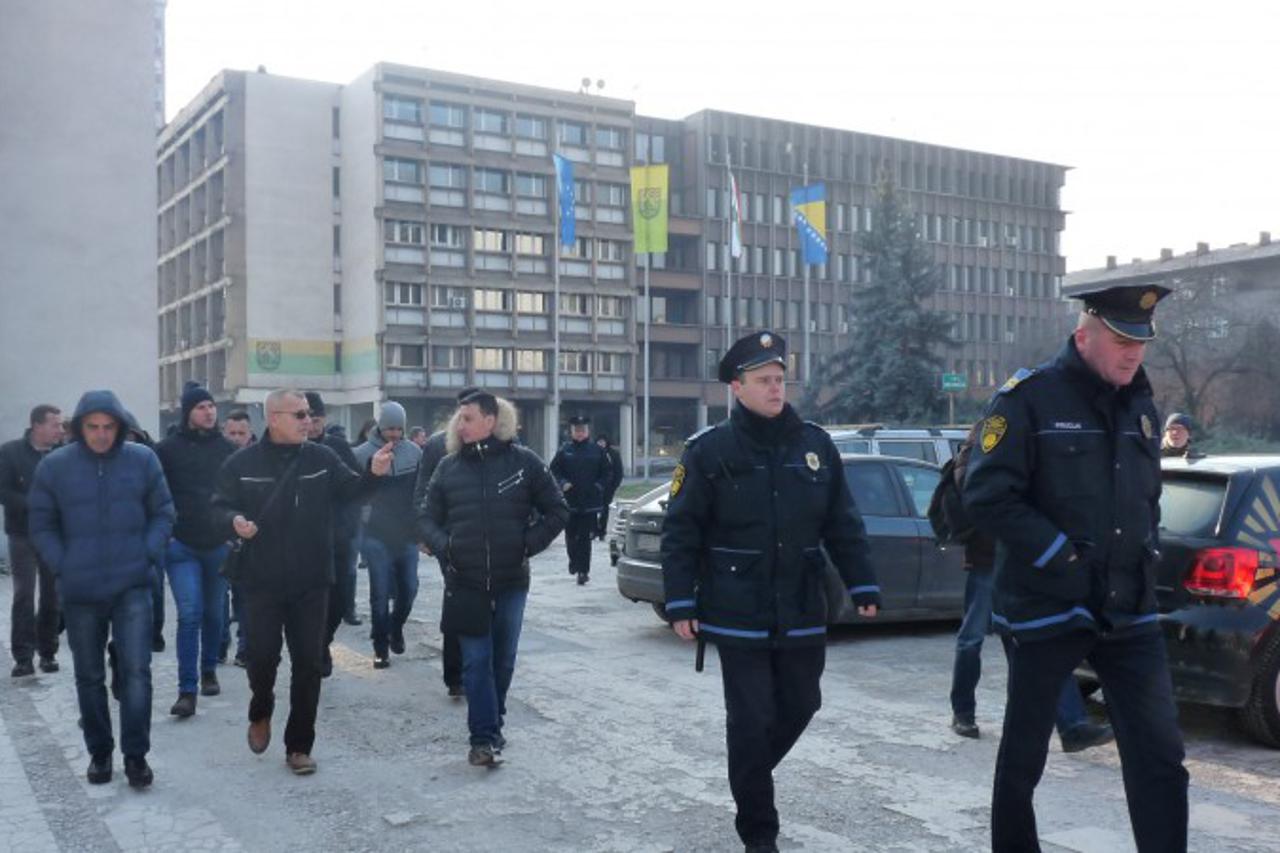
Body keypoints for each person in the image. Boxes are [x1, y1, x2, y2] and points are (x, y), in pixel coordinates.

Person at [964, 283, 1189, 852]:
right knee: (1024, 758)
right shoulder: (1028, 399)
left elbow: (1147, 498)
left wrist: (1146, 553)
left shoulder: (1141, 404)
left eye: (1141, 342)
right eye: (1122, 340)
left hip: (1128, 607)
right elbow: (986, 494)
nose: (1134, 353)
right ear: (1084, 335)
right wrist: (1057, 553)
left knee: (1161, 756)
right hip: (1047, 604)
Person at [661, 332, 880, 853]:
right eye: (763, 381)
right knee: (752, 719)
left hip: (802, 603)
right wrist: (680, 601)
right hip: (737, 607)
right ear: (737, 388)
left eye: (780, 379)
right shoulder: (708, 451)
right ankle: (759, 832)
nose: (775, 388)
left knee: (803, 704)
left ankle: (749, 772)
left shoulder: (815, 445)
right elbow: (681, 532)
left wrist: (862, 581)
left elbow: (843, 522)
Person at [211, 388, 393, 776]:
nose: (307, 421)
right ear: (273, 418)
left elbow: (352, 492)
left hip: (311, 579)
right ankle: (261, 709)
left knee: (309, 664)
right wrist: (233, 521)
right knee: (262, 659)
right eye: (299, 415)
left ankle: (299, 746)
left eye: (308, 414)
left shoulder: (322, 458)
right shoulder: (241, 463)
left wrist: (374, 474)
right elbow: (219, 506)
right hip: (261, 580)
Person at [27, 390, 175, 788]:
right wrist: (63, 563)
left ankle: (136, 756)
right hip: (81, 591)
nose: (101, 434)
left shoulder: (142, 460)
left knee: (136, 672)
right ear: (79, 427)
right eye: (93, 426)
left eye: (109, 426)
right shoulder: (55, 466)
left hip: (132, 585)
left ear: (120, 427)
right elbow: (41, 522)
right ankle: (100, 753)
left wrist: (146, 554)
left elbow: (163, 513)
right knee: (89, 675)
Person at [417, 389, 568, 767]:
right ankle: (482, 739)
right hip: (465, 582)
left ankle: (493, 723)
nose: (460, 425)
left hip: (511, 580)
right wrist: (446, 546)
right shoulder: (448, 467)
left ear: (491, 420)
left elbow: (557, 510)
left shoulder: (525, 463)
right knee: (475, 661)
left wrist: (527, 544)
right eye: (459, 418)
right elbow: (425, 517)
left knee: (503, 660)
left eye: (468, 418)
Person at [946, 422, 1114, 752]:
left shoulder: (1042, 431)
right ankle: (963, 712)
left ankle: (1071, 726)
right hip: (989, 556)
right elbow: (969, 482)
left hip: (1029, 557)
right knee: (972, 638)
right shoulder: (990, 428)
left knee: (1041, 639)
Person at [155, 382, 237, 717]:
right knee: (190, 613)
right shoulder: (167, 450)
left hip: (218, 544)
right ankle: (186, 690)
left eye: (211, 406)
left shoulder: (228, 449)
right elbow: (155, 494)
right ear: (188, 412)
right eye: (201, 407)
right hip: (181, 546)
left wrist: (233, 534)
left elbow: (239, 495)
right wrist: (165, 533)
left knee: (214, 613)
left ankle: (208, 670)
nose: (209, 411)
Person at [413, 392, 482, 698]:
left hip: (490, 540)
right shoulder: (437, 445)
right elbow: (421, 492)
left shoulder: (503, 443)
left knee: (485, 605)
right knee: (457, 601)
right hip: (450, 539)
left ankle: (478, 668)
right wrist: (426, 535)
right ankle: (456, 675)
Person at [353, 401, 423, 669]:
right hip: (375, 534)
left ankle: (396, 626)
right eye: (389, 428)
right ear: (380, 427)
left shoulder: (414, 452)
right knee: (379, 593)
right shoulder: (361, 454)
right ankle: (380, 647)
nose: (394, 434)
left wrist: (421, 528)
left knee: (410, 588)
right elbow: (354, 494)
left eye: (398, 429)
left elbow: (421, 492)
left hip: (406, 533)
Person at [0, 404, 64, 678]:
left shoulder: (63, 454)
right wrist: (33, 504)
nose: (60, 430)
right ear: (37, 425)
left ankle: (48, 653)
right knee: (24, 594)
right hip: (22, 534)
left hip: (53, 535)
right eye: (55, 424)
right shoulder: (10, 452)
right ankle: (23, 657)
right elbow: (3, 490)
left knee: (52, 596)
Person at [305, 392, 364, 678]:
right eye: (307, 418)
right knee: (311, 601)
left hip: (339, 538)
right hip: (305, 541)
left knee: (339, 599)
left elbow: (357, 487)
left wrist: (349, 523)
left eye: (316, 418)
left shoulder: (338, 446)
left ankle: (323, 641)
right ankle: (313, 648)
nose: (312, 424)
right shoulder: (293, 449)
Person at [550, 415, 610, 585]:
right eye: (576, 430)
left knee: (584, 538)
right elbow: (553, 471)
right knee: (570, 535)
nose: (580, 433)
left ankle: (583, 571)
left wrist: (598, 486)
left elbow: (607, 473)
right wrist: (563, 483)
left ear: (587, 431)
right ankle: (573, 561)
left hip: (589, 502)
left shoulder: (597, 451)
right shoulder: (564, 450)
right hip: (570, 501)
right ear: (571, 432)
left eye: (582, 430)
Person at [593, 433, 625, 540]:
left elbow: (618, 471)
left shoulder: (613, 454)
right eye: (599, 442)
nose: (601, 444)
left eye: (603, 441)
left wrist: (614, 486)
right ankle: (593, 530)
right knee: (592, 509)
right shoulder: (592, 453)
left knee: (605, 509)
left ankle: (602, 531)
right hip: (594, 486)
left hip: (608, 487)